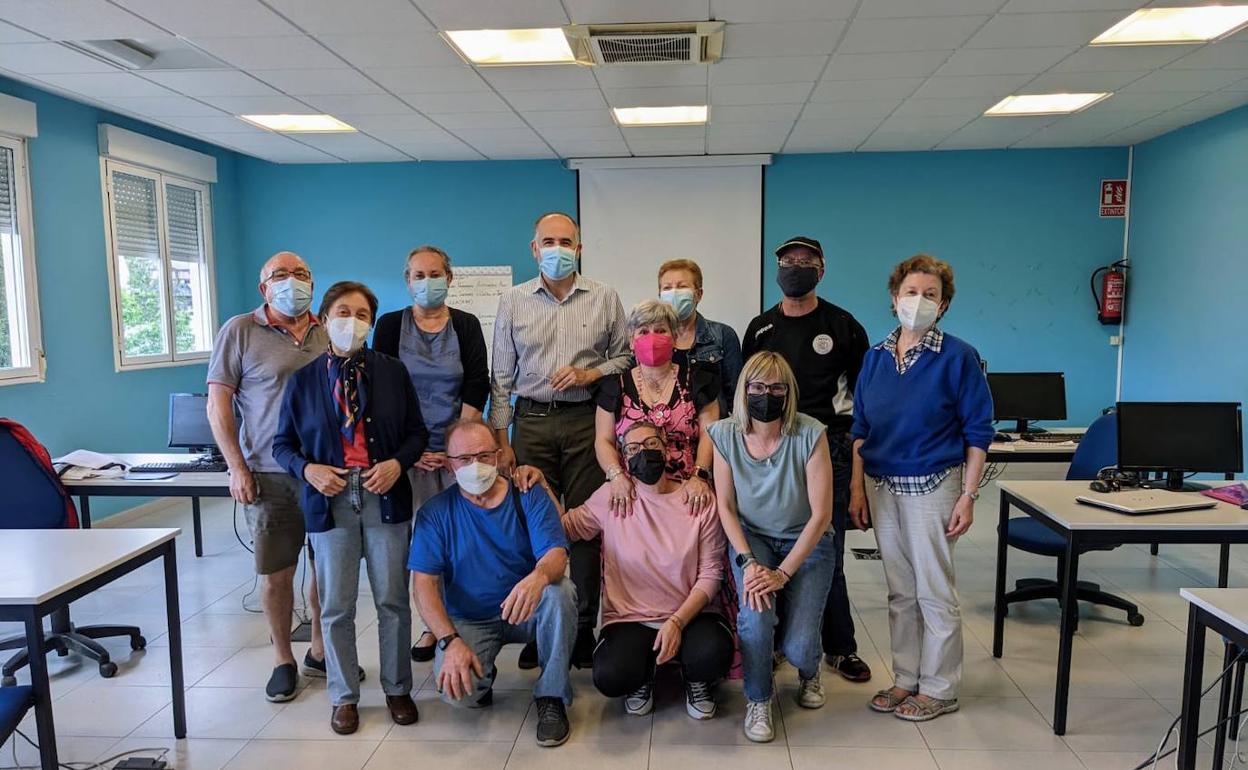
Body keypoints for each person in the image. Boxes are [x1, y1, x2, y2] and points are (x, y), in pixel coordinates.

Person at [272, 281, 427, 735]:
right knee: (337, 605)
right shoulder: (302, 381)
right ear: (323, 317)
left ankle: (398, 688)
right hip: (329, 499)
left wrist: (398, 464)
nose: (352, 322)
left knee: (393, 601)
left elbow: (417, 434)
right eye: (343, 312)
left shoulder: (393, 372)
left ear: (371, 324)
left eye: (362, 315)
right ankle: (344, 696)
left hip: (385, 494)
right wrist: (308, 471)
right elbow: (282, 445)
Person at [849, 254, 992, 723]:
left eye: (930, 294)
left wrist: (968, 495)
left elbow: (978, 432)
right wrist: (856, 489)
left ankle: (940, 686)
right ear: (894, 298)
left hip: (934, 484)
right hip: (882, 484)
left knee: (933, 589)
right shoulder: (874, 357)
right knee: (900, 592)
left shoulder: (959, 357)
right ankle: (906, 678)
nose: (919, 301)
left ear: (944, 304)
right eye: (911, 292)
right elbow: (861, 429)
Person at [488, 211, 631, 668]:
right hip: (529, 422)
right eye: (547, 242)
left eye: (565, 241)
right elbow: (501, 378)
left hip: (586, 421)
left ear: (579, 248)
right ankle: (539, 625)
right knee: (536, 525)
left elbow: (626, 357)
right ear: (533, 249)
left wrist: (592, 372)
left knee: (587, 527)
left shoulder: (605, 298)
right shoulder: (513, 301)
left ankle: (583, 627)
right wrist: (501, 437)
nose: (557, 249)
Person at [206, 251, 335, 703]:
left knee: (327, 568)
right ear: (264, 288)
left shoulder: (328, 329)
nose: (291, 281)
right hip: (269, 471)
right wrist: (236, 465)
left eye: (301, 273)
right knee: (277, 573)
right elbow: (218, 403)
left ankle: (320, 650)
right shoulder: (240, 331)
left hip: (326, 473)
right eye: (280, 275)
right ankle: (284, 659)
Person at [742, 236, 872, 684]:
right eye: (787, 261)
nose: (795, 267)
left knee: (826, 551)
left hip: (828, 449)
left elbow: (862, 409)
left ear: (822, 268)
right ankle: (782, 644)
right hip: (771, 450)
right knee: (773, 540)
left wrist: (857, 483)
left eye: (806, 261)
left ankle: (840, 646)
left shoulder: (844, 326)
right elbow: (748, 393)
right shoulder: (760, 328)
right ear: (776, 268)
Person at [408, 419, 577, 748]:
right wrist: (449, 641)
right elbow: (423, 586)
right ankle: (481, 673)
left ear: (499, 456)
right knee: (458, 694)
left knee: (561, 592)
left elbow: (556, 553)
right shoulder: (435, 513)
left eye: (484, 456)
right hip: (472, 618)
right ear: (449, 463)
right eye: (464, 459)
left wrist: (539, 577)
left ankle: (552, 696)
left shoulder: (527, 494)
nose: (475, 466)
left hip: (526, 609)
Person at [563, 420, 733, 720]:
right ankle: (642, 677)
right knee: (611, 676)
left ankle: (694, 678)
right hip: (631, 618)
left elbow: (711, 574)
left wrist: (678, 622)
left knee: (715, 655)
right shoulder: (610, 498)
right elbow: (566, 529)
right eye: (633, 448)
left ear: (666, 448)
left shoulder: (697, 499)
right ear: (624, 459)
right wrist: (537, 483)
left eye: (652, 444)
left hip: (691, 615)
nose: (644, 453)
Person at [708, 351, 836, 744]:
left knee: (799, 646)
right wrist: (748, 563)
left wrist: (782, 574)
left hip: (806, 540)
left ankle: (808, 669)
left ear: (789, 392)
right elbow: (726, 507)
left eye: (777, 387)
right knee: (756, 616)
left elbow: (821, 515)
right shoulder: (724, 433)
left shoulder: (811, 433)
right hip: (753, 540)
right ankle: (758, 698)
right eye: (758, 387)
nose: (768, 394)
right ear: (745, 390)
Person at [373, 245, 489, 662]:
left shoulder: (467, 325)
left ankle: (466, 623)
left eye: (435, 273)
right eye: (418, 275)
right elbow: (381, 390)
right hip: (409, 453)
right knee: (420, 544)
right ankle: (431, 626)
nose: (427, 282)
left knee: (463, 540)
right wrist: (414, 449)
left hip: (461, 452)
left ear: (450, 278)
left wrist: (457, 445)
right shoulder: (389, 326)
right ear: (407, 281)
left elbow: (478, 383)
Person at [594, 299, 719, 517]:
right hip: (632, 494)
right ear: (631, 341)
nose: (652, 338)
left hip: (690, 493)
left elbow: (712, 435)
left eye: (660, 330)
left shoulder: (700, 381)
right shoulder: (613, 386)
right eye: (643, 331)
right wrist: (616, 477)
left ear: (675, 337)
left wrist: (700, 476)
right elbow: (603, 441)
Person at [657, 259, 743, 414]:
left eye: (682, 286)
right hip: (663, 430)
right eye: (667, 288)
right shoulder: (649, 340)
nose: (674, 293)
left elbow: (737, 396)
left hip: (713, 430)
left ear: (698, 294)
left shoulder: (722, 335)